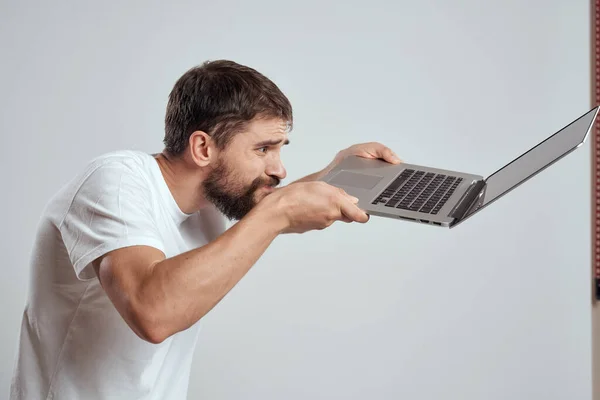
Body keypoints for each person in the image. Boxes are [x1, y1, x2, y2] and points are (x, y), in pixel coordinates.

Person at [9, 59, 401, 400]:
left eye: (280, 149)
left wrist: (339, 173)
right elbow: (152, 313)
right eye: (263, 149)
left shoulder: (207, 203)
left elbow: (274, 204)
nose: (280, 169)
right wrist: (280, 210)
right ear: (202, 148)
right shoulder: (114, 181)